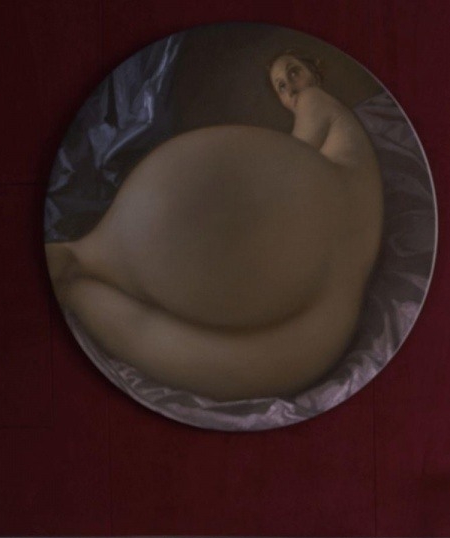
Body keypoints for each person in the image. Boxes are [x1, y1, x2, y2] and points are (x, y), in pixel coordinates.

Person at [45, 49, 383, 402]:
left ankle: (77, 274)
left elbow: (292, 160)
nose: (292, 88)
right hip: (344, 271)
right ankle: (78, 279)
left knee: (188, 347)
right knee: (260, 360)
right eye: (282, 86)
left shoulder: (316, 100)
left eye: (294, 72)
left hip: (329, 214)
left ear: (314, 71)